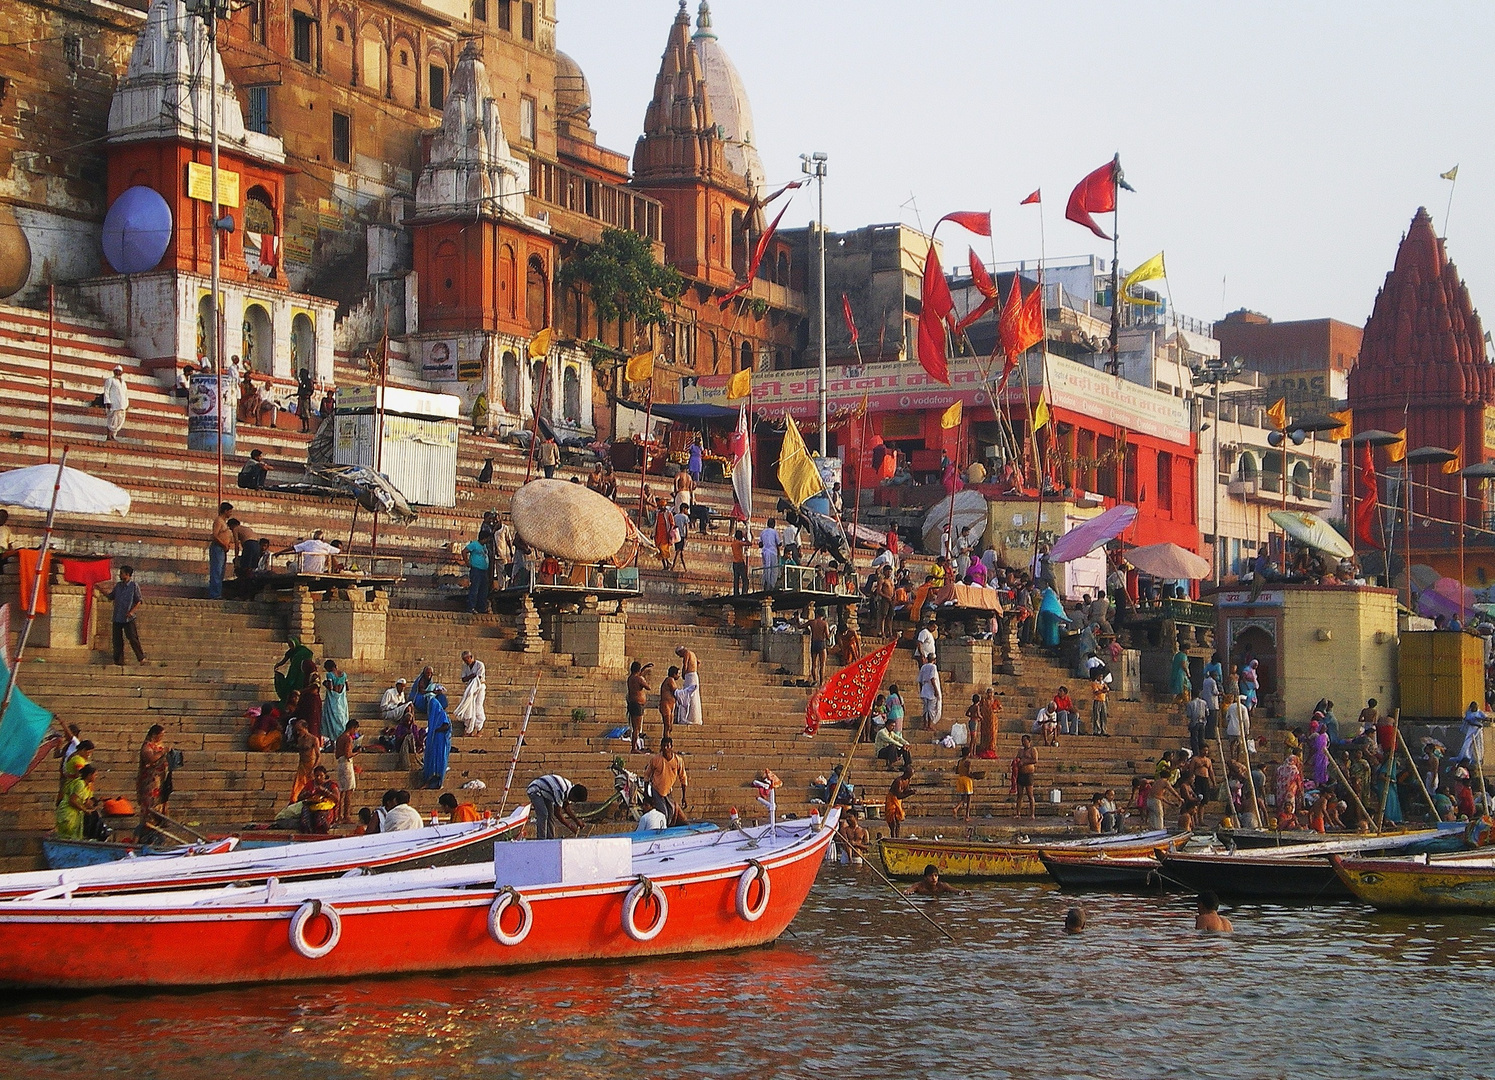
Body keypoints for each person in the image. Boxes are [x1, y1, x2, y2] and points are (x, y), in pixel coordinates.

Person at [98, 564, 145, 666]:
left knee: (133, 638)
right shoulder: (118, 586)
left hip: (128, 617)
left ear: (127, 574)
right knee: (117, 640)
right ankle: (118, 661)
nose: (120, 575)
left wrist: (132, 612)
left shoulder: (133, 586)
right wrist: (101, 590)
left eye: (122, 573)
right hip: (117, 616)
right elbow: (111, 596)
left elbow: (139, 601)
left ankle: (141, 659)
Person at [527, 773, 587, 839]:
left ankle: (550, 838)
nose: (574, 802)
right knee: (543, 814)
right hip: (535, 790)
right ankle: (541, 839)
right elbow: (557, 813)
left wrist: (576, 820)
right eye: (575, 800)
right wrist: (570, 826)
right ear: (573, 795)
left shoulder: (571, 788)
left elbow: (566, 807)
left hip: (547, 793)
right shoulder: (560, 791)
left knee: (550, 815)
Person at [644, 735, 689, 824]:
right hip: (656, 789)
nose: (665, 748)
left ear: (671, 747)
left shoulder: (678, 761)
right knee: (663, 813)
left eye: (667, 746)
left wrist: (684, 797)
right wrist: (646, 793)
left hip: (668, 791)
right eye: (663, 746)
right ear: (661, 747)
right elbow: (647, 775)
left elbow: (683, 778)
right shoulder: (656, 759)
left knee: (671, 811)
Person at [136, 724, 169, 834]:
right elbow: (150, 758)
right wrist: (162, 752)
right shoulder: (147, 746)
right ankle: (147, 829)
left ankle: (158, 827)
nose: (162, 737)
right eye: (160, 735)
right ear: (154, 734)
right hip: (150, 781)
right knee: (150, 804)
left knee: (160, 804)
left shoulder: (159, 745)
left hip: (161, 780)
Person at [55, 763, 98, 840]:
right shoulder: (80, 783)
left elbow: (86, 801)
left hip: (76, 814)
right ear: (89, 775)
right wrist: (84, 810)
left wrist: (93, 808)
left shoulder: (87, 786)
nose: (96, 777)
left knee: (73, 837)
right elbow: (72, 801)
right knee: (66, 836)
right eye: (94, 775)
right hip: (68, 812)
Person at [453, 650, 487, 736]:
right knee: (469, 708)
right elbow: (463, 679)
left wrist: (472, 677)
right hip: (470, 689)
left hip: (479, 688)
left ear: (471, 657)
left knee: (478, 707)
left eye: (466, 659)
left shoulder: (480, 665)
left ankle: (479, 728)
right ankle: (469, 729)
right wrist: (472, 676)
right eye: (464, 660)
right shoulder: (465, 667)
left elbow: (479, 678)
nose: (466, 662)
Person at [423, 695, 453, 789]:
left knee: (438, 760)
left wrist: (435, 730)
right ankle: (430, 781)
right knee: (432, 759)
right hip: (435, 741)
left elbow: (446, 726)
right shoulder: (435, 716)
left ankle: (437, 782)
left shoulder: (441, 714)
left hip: (440, 741)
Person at [300, 765, 340, 834]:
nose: (318, 778)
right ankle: (307, 833)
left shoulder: (331, 785)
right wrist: (308, 794)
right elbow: (299, 797)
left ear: (325, 775)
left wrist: (326, 791)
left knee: (320, 816)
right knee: (305, 811)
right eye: (316, 776)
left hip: (326, 808)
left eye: (321, 775)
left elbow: (337, 799)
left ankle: (322, 834)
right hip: (312, 807)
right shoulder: (310, 784)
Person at [334, 720, 359, 822]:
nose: (355, 731)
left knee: (341, 791)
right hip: (346, 764)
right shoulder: (348, 738)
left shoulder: (339, 738)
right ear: (352, 728)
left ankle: (338, 815)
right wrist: (357, 752)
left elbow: (336, 755)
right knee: (348, 791)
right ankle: (346, 816)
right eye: (356, 729)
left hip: (340, 764)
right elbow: (348, 754)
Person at [627, 661, 652, 752]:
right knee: (637, 728)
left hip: (632, 704)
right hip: (638, 705)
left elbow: (637, 675)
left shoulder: (630, 678)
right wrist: (646, 677)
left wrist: (644, 668)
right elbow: (648, 687)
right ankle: (634, 748)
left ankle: (634, 747)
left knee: (635, 727)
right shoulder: (639, 679)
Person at [954, 745, 984, 820]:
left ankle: (956, 808)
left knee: (963, 798)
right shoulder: (968, 762)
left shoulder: (959, 761)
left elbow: (956, 771)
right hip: (967, 780)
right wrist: (974, 776)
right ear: (968, 754)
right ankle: (967, 816)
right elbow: (969, 773)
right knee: (969, 798)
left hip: (960, 779)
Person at [321, 659, 349, 741]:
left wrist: (324, 683)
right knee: (342, 717)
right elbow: (347, 688)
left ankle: (334, 739)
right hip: (342, 700)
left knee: (332, 717)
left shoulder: (330, 674)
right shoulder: (344, 674)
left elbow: (330, 687)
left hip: (333, 699)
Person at [1012, 734, 1039, 818]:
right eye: (1022, 741)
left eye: (1025, 741)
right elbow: (1017, 758)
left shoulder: (1033, 750)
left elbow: (1035, 760)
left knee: (1030, 795)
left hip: (1028, 774)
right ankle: (1018, 813)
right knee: (1019, 795)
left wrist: (1024, 762)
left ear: (1029, 741)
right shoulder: (1020, 751)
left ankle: (1032, 814)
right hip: (1021, 774)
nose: (1023, 742)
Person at [675, 645, 702, 726]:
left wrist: (683, 674)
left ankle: (689, 717)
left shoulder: (687, 653)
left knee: (688, 695)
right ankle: (695, 717)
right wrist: (695, 669)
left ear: (681, 651)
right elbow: (699, 662)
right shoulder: (693, 653)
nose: (680, 656)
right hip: (694, 675)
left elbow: (685, 664)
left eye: (679, 655)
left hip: (689, 676)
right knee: (694, 696)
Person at [464, 531, 491, 613]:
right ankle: (471, 607)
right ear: (484, 538)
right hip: (476, 570)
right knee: (474, 589)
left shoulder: (485, 546)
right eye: (488, 538)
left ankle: (482, 608)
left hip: (484, 571)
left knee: (484, 590)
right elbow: (464, 551)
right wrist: (467, 562)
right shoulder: (474, 544)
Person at [884, 767, 915, 838]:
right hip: (892, 800)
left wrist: (910, 791)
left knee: (898, 821)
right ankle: (893, 837)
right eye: (910, 774)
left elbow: (905, 790)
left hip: (898, 801)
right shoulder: (898, 781)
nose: (910, 776)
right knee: (892, 821)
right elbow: (899, 795)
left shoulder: (908, 780)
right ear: (906, 773)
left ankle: (897, 837)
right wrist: (910, 794)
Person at [102, 364, 129, 440]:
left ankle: (113, 436)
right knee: (111, 420)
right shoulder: (110, 380)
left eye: (119, 371)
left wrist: (127, 404)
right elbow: (106, 391)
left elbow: (125, 393)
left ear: (121, 372)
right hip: (113, 404)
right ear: (114, 372)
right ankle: (109, 436)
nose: (118, 372)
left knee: (119, 421)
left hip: (122, 405)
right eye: (116, 371)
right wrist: (108, 402)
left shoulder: (123, 383)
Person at [918, 652, 942, 730]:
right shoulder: (933, 667)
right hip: (931, 689)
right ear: (934, 660)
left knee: (925, 708)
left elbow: (920, 680)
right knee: (931, 709)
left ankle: (925, 724)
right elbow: (932, 679)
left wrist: (921, 689)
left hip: (925, 689)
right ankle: (929, 725)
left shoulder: (923, 667)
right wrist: (936, 690)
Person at [1459, 701, 1487, 769]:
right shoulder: (1468, 713)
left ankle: (1478, 758)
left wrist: (1480, 720)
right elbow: (1468, 721)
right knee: (1468, 743)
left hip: (1478, 730)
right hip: (1471, 730)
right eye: (1474, 707)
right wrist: (1476, 724)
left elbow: (1486, 718)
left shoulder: (1479, 712)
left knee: (1478, 744)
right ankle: (1467, 757)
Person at [657, 664, 679, 746]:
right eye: (678, 674)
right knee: (667, 726)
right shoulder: (670, 680)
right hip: (666, 705)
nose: (679, 676)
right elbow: (675, 691)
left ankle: (667, 742)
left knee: (670, 727)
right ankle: (665, 744)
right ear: (674, 674)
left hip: (671, 706)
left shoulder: (671, 680)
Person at [1224, 694, 1251, 761]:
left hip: (1231, 728)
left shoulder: (1231, 707)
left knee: (1232, 743)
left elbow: (1227, 717)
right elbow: (1246, 720)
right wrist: (1247, 730)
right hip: (1239, 729)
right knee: (1239, 744)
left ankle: (1232, 756)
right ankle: (1237, 758)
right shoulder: (1243, 708)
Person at [808, 607, 830, 685]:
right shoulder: (824, 623)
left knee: (814, 664)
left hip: (814, 643)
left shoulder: (811, 622)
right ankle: (821, 682)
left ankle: (815, 680)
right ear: (823, 615)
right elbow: (827, 636)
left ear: (816, 614)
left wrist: (797, 620)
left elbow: (800, 626)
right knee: (822, 664)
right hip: (821, 643)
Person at [759, 517, 780, 590]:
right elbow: (779, 543)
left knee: (766, 569)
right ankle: (771, 586)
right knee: (774, 570)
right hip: (772, 552)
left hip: (764, 552)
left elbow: (760, 544)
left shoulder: (763, 532)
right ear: (774, 525)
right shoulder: (774, 532)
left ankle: (765, 584)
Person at [730, 529, 750, 595]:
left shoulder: (733, 543)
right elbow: (749, 543)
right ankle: (744, 593)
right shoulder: (739, 543)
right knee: (745, 579)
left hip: (734, 563)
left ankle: (736, 593)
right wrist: (745, 537)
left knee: (736, 580)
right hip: (740, 563)